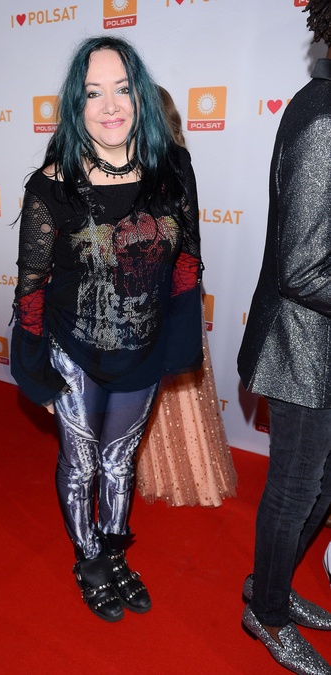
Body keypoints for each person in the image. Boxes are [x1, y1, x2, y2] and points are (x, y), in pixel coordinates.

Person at [10, 36, 203, 623]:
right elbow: (31, 288)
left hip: (141, 351)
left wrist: (177, 346)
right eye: (94, 93)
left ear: (140, 96)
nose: (111, 105)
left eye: (122, 89)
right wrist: (35, 371)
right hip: (73, 351)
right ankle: (88, 560)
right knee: (82, 464)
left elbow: (187, 262)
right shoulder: (50, 186)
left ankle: (114, 551)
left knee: (119, 462)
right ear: (77, 104)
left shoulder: (173, 170)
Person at [238, 1, 331, 672]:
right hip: (300, 346)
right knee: (297, 486)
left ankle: (268, 585)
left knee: (322, 483)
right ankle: (266, 613)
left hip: (322, 341)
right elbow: (303, 267)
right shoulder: (323, 118)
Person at [136, 86, 237, 508]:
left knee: (169, 378)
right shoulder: (165, 160)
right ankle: (175, 470)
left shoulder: (170, 162)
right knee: (161, 382)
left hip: (162, 287)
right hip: (162, 285)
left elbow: (185, 232)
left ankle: (175, 472)